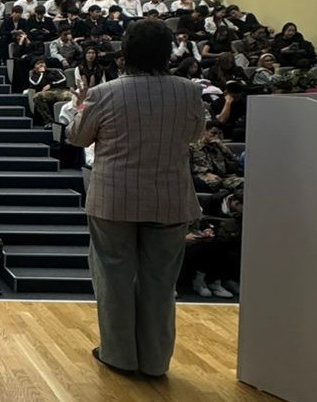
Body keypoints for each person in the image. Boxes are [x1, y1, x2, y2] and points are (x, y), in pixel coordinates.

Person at [67, 19, 206, 379]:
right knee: (161, 283)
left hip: (114, 199)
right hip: (170, 199)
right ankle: (155, 362)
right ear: (166, 52)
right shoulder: (188, 91)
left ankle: (119, 356)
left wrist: (81, 105)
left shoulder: (104, 93)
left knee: (113, 279)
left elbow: (78, 138)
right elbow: (196, 134)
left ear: (126, 53)